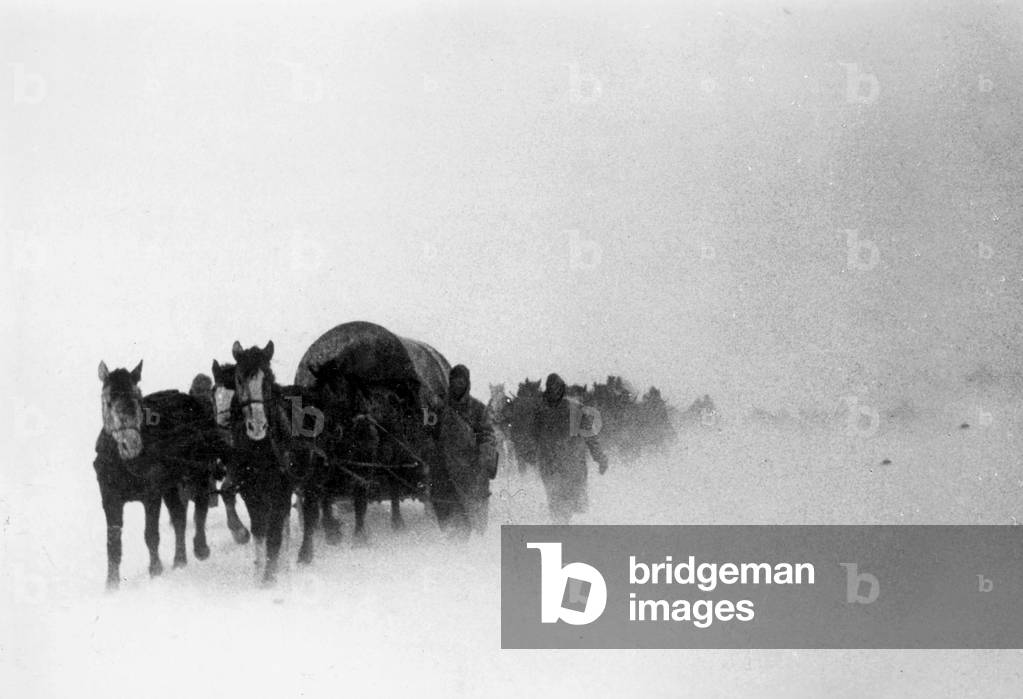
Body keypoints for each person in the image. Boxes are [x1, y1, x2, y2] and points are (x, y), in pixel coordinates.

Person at [532, 372, 609, 523]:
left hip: (567, 464)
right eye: (552, 389)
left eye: (557, 389)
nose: (554, 392)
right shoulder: (542, 410)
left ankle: (564, 529)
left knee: (567, 503)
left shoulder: (574, 409)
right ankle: (562, 529)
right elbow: (534, 436)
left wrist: (600, 458)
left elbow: (590, 436)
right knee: (559, 503)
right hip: (556, 464)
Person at [437, 364, 497, 536]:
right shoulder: (439, 406)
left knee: (466, 515)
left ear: (467, 382)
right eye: (455, 380)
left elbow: (486, 432)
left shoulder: (478, 408)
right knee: (446, 511)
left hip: (469, 468)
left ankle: (461, 552)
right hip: (445, 468)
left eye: (461, 380)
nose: (458, 384)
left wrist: (485, 450)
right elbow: (429, 428)